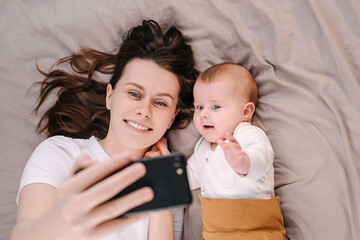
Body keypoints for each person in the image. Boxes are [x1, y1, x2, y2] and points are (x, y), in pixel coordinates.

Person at [11, 20, 199, 240]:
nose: (144, 110)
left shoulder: (170, 185)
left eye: (160, 103)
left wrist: (162, 204)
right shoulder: (59, 153)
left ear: (172, 118)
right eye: (134, 94)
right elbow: (23, 233)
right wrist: (57, 226)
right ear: (110, 96)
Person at [186, 62, 287, 239]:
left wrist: (243, 161)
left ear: (246, 112)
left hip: (257, 231)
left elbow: (262, 157)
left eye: (215, 106)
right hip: (215, 233)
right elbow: (189, 177)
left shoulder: (247, 134)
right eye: (199, 107)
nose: (203, 114)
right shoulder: (201, 147)